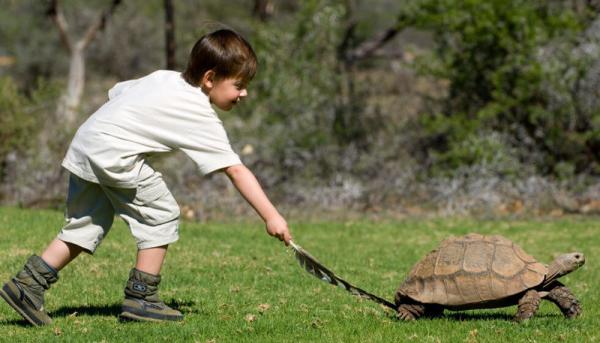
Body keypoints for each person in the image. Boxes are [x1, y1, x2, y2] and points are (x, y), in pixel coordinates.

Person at [0, 29, 292, 326]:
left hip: (88, 142)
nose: (244, 94)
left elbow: (116, 92)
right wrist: (272, 216)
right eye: (239, 85)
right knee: (162, 213)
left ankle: (28, 285)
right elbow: (235, 169)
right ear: (209, 78)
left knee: (86, 223)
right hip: (113, 155)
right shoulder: (198, 112)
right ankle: (142, 298)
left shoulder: (165, 77)